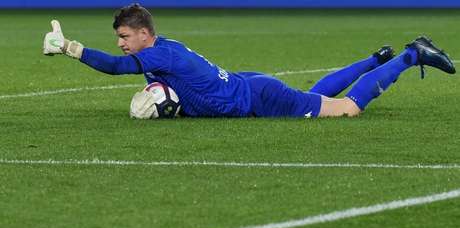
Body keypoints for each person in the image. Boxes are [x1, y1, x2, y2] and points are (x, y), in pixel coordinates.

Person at [43, 3, 456, 119]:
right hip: (252, 88)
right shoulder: (162, 47)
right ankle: (373, 60)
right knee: (309, 96)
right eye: (118, 37)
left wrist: (69, 48)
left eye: (124, 36)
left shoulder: (157, 52)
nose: (120, 44)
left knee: (346, 109)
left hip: (256, 98)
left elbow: (116, 68)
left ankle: (408, 55)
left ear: (144, 34)